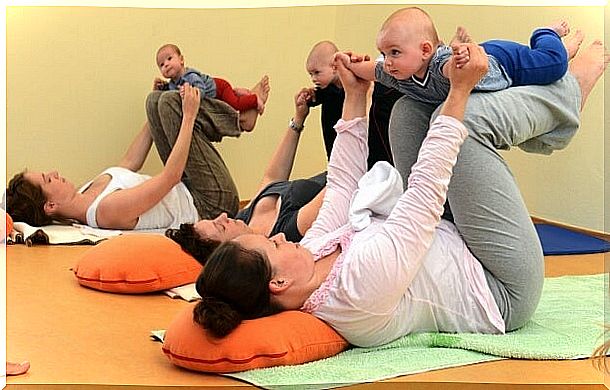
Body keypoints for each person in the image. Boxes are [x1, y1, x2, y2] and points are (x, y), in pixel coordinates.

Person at [191, 38, 608, 347]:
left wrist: (356, 96)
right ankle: (570, 92)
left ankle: (551, 116)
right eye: (272, 246)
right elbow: (423, 197)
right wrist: (459, 91)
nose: (279, 236)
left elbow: (342, 183)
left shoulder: (312, 255)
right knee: (470, 119)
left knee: (408, 112)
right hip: (500, 284)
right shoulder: (357, 292)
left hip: (451, 238)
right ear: (278, 282)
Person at [6, 83, 241, 230]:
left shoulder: (87, 191)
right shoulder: (106, 210)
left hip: (191, 187)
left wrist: (154, 116)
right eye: (48, 180)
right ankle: (241, 118)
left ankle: (225, 114)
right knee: (171, 103)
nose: (54, 173)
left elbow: (129, 164)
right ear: (50, 205)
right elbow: (171, 177)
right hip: (210, 203)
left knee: (156, 101)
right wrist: (188, 115)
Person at [166, 87, 327, 264]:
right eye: (221, 226)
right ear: (230, 250)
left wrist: (298, 119)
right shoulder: (284, 234)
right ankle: (239, 118)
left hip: (346, 165)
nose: (223, 216)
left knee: (158, 103)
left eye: (214, 219)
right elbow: (339, 186)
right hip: (354, 175)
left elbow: (272, 178)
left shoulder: (243, 220)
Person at [339, 7, 584, 106]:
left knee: (555, 64)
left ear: (426, 50)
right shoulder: (397, 73)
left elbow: (449, 70)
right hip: (470, 53)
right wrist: (348, 64)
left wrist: (459, 58)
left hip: (506, 62)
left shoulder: (439, 65)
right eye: (384, 53)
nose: (387, 61)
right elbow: (372, 70)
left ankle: (548, 35)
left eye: (394, 52)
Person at [305, 40, 404, 168]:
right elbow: (327, 93)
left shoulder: (368, 87)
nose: (313, 78)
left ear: (334, 67)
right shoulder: (327, 94)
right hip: (339, 157)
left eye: (317, 72)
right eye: (310, 74)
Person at [154, 43, 270, 131]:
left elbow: (201, 90)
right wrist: (161, 87)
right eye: (162, 65)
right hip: (215, 95)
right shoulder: (173, 83)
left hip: (220, 88)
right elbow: (170, 92)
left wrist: (191, 92)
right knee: (225, 104)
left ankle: (255, 100)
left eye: (169, 58)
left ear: (182, 60)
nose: (167, 64)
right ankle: (238, 92)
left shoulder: (190, 76)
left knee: (235, 104)